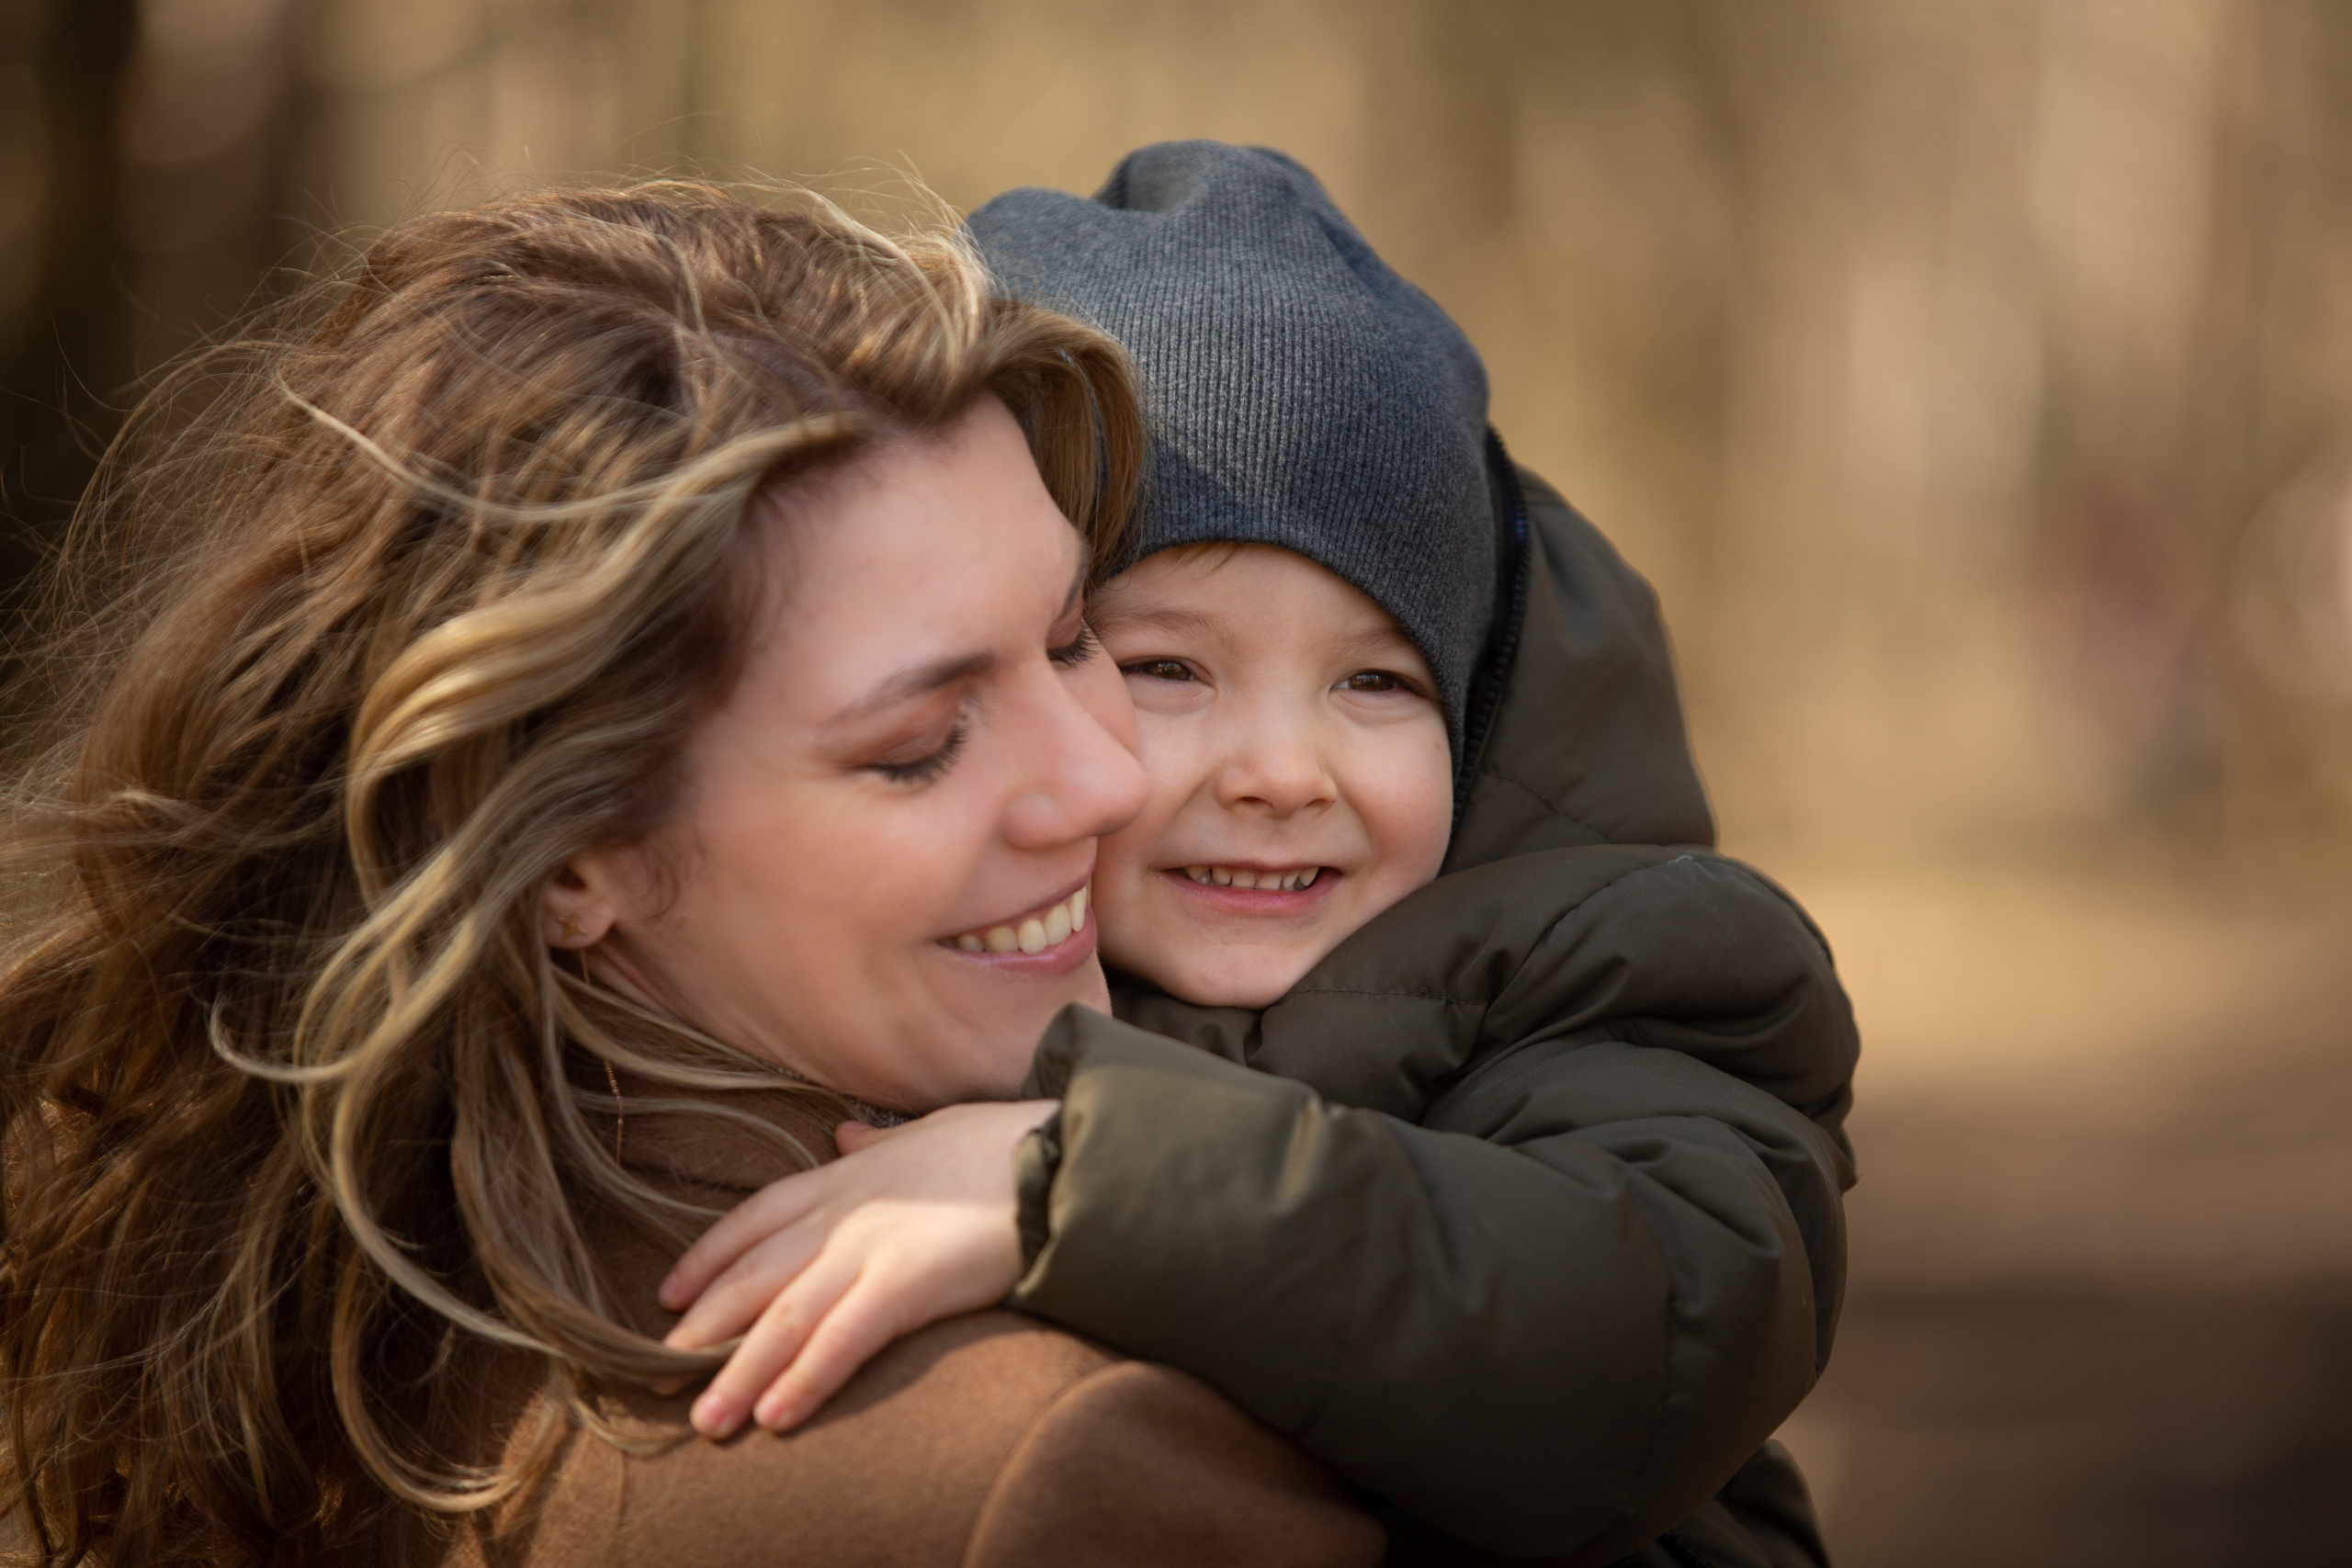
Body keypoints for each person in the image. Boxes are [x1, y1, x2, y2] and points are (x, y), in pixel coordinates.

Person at [0, 179, 1383, 1567]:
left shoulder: (308, 1328)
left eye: (1077, 639)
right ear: (569, 862)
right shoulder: (1058, 1467)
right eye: (920, 744)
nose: (1109, 781)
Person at [656, 144, 1856, 1567]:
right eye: (1166, 668)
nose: (1283, 773)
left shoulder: (1608, 967)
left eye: (1377, 683)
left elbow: (1653, 1333)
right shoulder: (971, 949)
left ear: (1472, 717)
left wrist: (1096, 1178)